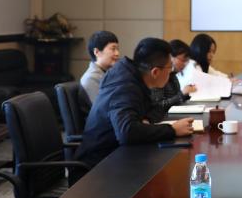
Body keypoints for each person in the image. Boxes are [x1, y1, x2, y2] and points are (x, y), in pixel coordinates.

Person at [74, 38, 194, 172]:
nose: (171, 72)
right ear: (155, 72)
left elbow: (155, 109)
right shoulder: (124, 86)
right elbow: (126, 132)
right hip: (96, 167)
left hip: (117, 156)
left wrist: (146, 120)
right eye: (169, 67)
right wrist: (172, 130)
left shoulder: (136, 78)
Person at [151, 39, 198, 114]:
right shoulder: (160, 75)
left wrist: (187, 94)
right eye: (183, 60)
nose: (185, 64)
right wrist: (182, 93)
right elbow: (159, 106)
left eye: (187, 61)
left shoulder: (173, 75)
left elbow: (176, 100)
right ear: (170, 57)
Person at [79, 30, 120, 103]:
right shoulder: (90, 78)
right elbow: (103, 107)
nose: (117, 53)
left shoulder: (109, 74)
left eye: (117, 49)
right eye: (113, 49)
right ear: (97, 52)